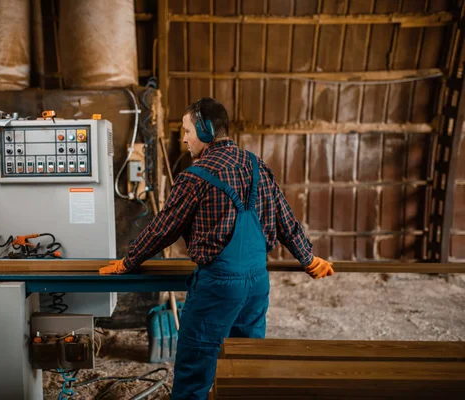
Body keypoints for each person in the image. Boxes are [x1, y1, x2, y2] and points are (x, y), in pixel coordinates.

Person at [99, 97, 334, 399]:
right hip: (257, 283)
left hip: (218, 289)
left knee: (195, 370)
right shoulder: (256, 164)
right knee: (246, 366)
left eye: (187, 131)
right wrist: (308, 258)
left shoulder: (194, 178)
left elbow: (161, 230)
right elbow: (285, 219)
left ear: (206, 130)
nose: (183, 138)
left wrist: (128, 262)